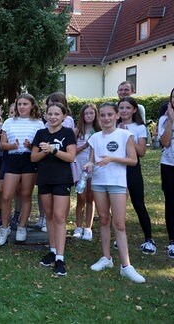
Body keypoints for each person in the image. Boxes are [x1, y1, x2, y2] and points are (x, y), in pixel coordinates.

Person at [86, 102, 145, 283]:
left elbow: (133, 160)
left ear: (116, 115)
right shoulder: (95, 138)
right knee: (103, 219)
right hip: (98, 183)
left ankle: (126, 266)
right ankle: (106, 258)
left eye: (109, 114)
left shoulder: (125, 135)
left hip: (117, 183)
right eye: (102, 115)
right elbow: (92, 160)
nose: (105, 118)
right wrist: (89, 165)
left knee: (119, 223)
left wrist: (112, 158)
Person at [31, 102, 76, 276]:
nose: (53, 117)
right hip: (44, 178)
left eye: (57, 114)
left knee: (59, 216)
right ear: (46, 115)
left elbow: (71, 157)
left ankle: (60, 258)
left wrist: (53, 150)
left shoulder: (67, 133)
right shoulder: (41, 133)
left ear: (64, 116)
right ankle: (52, 249)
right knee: (49, 215)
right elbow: (34, 157)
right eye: (50, 114)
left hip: (61, 179)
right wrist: (45, 151)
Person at [0, 94, 44, 246]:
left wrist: (31, 146)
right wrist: (12, 146)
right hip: (12, 160)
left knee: (26, 195)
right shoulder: (9, 122)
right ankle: (5, 228)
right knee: (6, 195)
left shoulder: (38, 123)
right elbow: (1, 145)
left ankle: (22, 227)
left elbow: (40, 146)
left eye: (25, 104)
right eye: (19, 104)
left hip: (29, 160)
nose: (22, 107)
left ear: (32, 106)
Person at [118, 96, 155, 254]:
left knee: (138, 204)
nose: (124, 111)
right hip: (117, 169)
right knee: (118, 205)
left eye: (127, 108)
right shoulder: (113, 124)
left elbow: (141, 152)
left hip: (132, 169)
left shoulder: (139, 127)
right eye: (121, 108)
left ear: (134, 110)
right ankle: (119, 237)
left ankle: (149, 239)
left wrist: (129, 137)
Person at [73, 104, 101, 241]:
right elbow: (72, 151)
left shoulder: (100, 131)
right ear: (82, 115)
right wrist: (85, 145)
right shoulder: (77, 131)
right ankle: (78, 226)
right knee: (80, 197)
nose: (89, 116)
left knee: (91, 197)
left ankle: (88, 228)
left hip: (94, 166)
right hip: (79, 165)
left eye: (92, 113)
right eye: (86, 113)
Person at [158, 88, 174, 258]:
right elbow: (165, 142)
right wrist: (170, 120)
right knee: (170, 201)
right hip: (168, 163)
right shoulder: (164, 118)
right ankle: (172, 241)